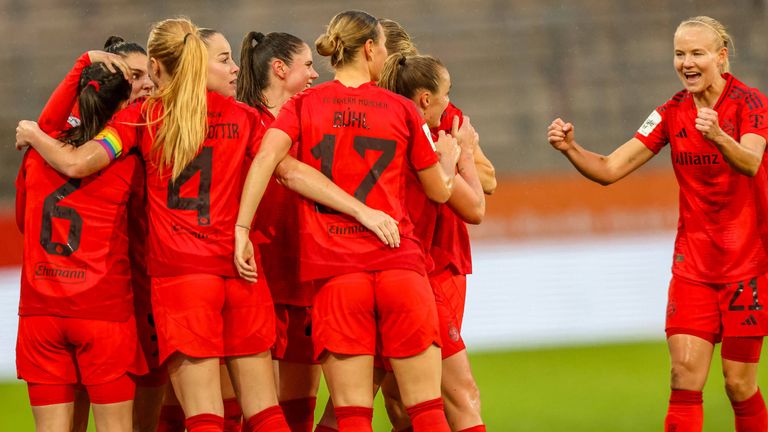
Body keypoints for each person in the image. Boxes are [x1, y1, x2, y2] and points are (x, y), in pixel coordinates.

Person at [235, 10, 460, 432]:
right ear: (371, 49)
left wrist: (241, 228)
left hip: (338, 275)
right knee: (427, 411)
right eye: (384, 47)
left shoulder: (304, 104)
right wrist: (448, 162)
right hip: (400, 266)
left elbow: (270, 160)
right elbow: (438, 191)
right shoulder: (401, 109)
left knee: (353, 416)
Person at [547, 16, 768, 432]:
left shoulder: (751, 104)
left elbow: (752, 162)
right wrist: (571, 149)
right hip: (693, 268)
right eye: (679, 53)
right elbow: (611, 168)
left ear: (721, 57)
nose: (686, 62)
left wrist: (719, 137)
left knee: (738, 385)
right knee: (684, 376)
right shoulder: (670, 112)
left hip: (748, 266)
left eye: (696, 53)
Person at [15, 54, 146, 432]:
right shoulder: (127, 162)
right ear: (122, 106)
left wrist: (84, 61)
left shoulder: (37, 155)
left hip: (41, 313)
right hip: (102, 310)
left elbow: (48, 123)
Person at [377, 53, 487, 432]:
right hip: (417, 274)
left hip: (362, 272)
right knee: (460, 397)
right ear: (425, 99)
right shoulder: (421, 138)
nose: (450, 103)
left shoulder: (378, 126)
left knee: (381, 402)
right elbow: (475, 205)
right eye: (446, 93)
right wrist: (463, 156)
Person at [237, 31, 323, 432]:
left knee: (300, 411)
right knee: (256, 413)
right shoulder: (244, 121)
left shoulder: (312, 118)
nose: (314, 73)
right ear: (279, 68)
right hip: (260, 275)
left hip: (305, 274)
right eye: (307, 65)